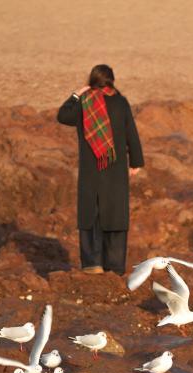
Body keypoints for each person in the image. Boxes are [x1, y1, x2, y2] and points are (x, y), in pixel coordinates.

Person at [58, 64, 144, 274]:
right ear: (112, 81)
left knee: (91, 216)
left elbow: (63, 116)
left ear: (91, 81)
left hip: (91, 171)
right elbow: (131, 133)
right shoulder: (121, 103)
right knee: (115, 217)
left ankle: (91, 263)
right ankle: (114, 268)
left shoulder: (84, 103)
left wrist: (76, 94)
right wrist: (136, 162)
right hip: (114, 170)